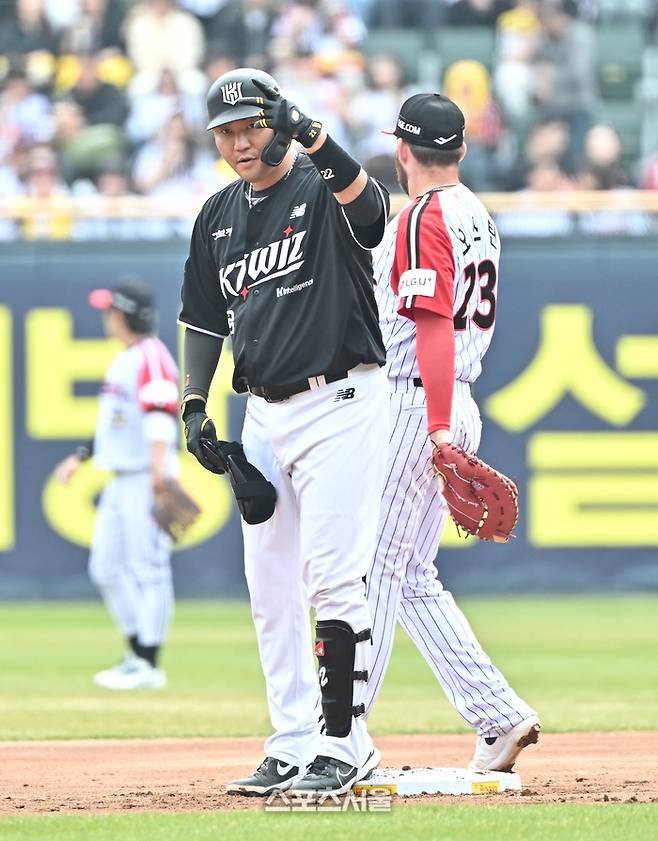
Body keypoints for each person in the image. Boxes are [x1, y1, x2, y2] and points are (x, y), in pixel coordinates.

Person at [178, 67, 390, 795]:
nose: (239, 143)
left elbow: (372, 217)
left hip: (340, 398)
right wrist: (192, 404)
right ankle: (293, 738)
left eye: (250, 126)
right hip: (263, 410)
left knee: (331, 573)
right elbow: (204, 318)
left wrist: (316, 137)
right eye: (226, 133)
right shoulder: (217, 216)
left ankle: (346, 742)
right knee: (269, 584)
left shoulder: (317, 187)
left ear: (278, 120)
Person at [366, 92, 541, 772]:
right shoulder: (476, 212)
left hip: (420, 401)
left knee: (374, 565)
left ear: (403, 150)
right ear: (462, 151)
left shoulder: (422, 217)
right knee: (410, 573)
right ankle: (497, 713)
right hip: (450, 396)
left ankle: (341, 735)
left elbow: (432, 320)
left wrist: (437, 426)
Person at [54, 277, 179, 690]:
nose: (107, 316)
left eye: (111, 310)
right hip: (121, 477)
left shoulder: (151, 357)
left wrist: (160, 477)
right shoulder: (126, 357)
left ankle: (150, 664)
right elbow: (115, 423)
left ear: (125, 314)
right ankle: (134, 653)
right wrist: (82, 456)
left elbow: (161, 415)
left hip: (146, 476)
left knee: (149, 569)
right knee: (105, 567)